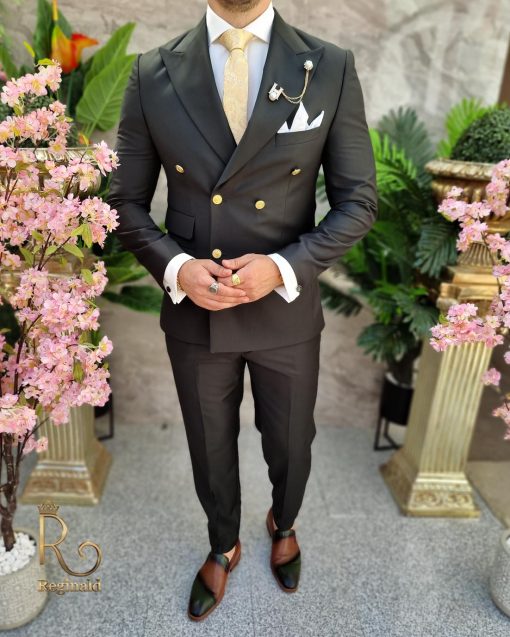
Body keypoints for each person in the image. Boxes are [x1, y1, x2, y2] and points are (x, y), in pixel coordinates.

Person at [106, 0, 377, 622]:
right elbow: (124, 201)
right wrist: (178, 268)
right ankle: (222, 542)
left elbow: (358, 202)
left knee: (292, 443)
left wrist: (281, 266)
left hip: (284, 302)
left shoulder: (328, 66)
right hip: (196, 305)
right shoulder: (152, 72)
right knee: (208, 444)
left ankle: (285, 521)